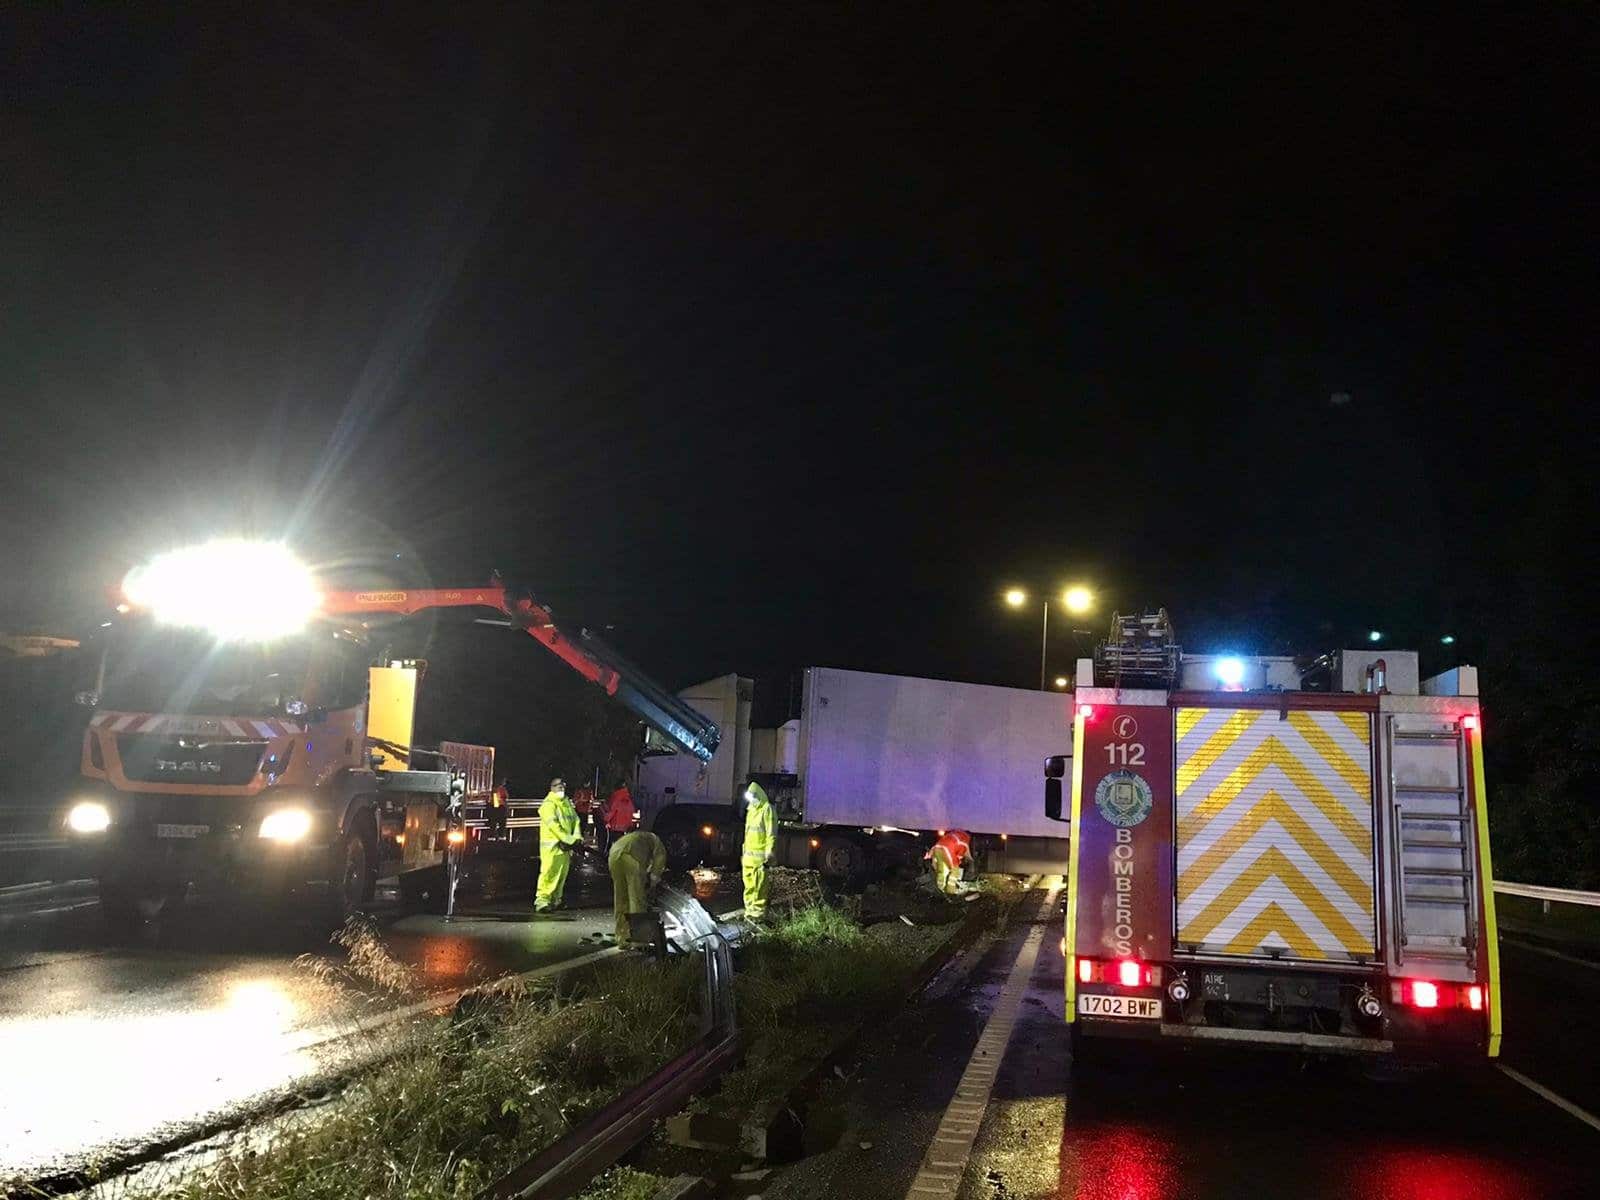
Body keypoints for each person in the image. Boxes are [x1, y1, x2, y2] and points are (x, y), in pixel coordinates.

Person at [608, 829, 667, 946]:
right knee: (637, 900)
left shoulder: (638, 837)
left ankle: (622, 937)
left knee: (621, 898)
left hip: (613, 855)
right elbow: (659, 860)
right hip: (631, 859)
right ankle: (639, 940)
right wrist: (653, 880)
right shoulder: (657, 841)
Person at [535, 777, 582, 912]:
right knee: (549, 873)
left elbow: (576, 820)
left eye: (563, 786)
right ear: (552, 788)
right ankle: (542, 901)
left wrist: (576, 838)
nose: (561, 788)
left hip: (565, 846)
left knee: (561, 874)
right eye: (558, 786)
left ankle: (556, 900)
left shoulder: (566, 803)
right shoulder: (548, 805)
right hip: (552, 846)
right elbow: (554, 826)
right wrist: (569, 840)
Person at [741, 781, 775, 920]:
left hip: (760, 859)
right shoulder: (751, 810)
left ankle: (758, 914)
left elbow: (771, 834)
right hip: (749, 858)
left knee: (759, 887)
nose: (752, 800)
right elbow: (747, 833)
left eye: (753, 797)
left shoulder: (767, 809)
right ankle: (749, 911)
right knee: (749, 886)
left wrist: (769, 852)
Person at [926, 829, 972, 896]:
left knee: (942, 870)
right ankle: (951, 890)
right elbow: (961, 854)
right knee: (955, 870)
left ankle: (940, 888)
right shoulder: (964, 839)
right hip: (947, 850)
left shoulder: (953, 834)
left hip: (937, 848)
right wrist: (959, 863)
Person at [602, 780, 635, 854]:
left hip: (615, 827)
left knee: (611, 844)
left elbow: (611, 811)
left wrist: (605, 819)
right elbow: (631, 811)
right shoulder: (628, 799)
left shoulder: (615, 798)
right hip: (624, 828)